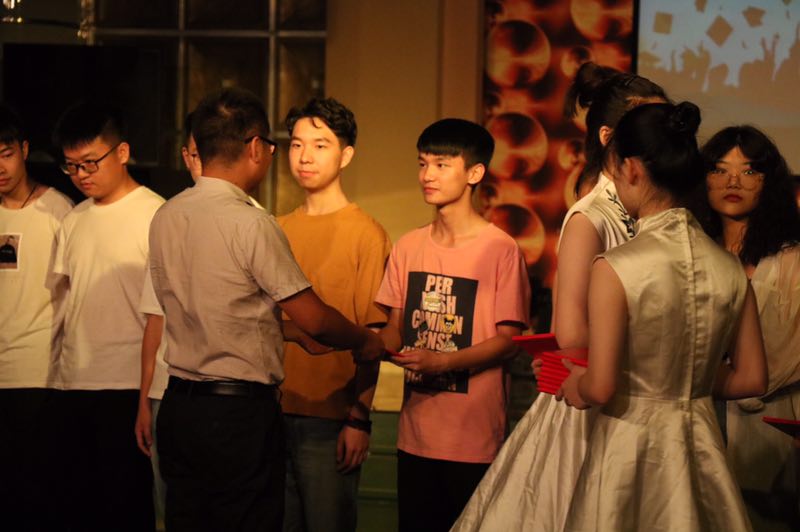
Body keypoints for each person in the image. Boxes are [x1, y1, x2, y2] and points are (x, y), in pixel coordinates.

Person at [148, 88, 384, 532]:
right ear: (256, 147)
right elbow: (315, 318)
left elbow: (220, 309)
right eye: (288, 145)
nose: (301, 157)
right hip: (237, 413)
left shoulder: (167, 214)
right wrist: (364, 340)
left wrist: (291, 334)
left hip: (179, 405)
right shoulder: (254, 222)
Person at [454, 63, 668, 531]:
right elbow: (572, 332)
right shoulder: (592, 215)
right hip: (595, 396)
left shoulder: (660, 213)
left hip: (643, 395)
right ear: (609, 137)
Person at [556, 101, 767, 530]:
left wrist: (575, 384)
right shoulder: (728, 266)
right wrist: (684, 379)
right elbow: (751, 379)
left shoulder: (615, 265)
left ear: (631, 168)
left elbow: (601, 385)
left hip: (630, 447)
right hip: (701, 443)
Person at [376, 118, 530, 532]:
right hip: (415, 433)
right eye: (422, 163)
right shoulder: (408, 245)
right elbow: (395, 326)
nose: (427, 175)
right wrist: (370, 343)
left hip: (473, 439)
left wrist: (442, 362)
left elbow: (509, 341)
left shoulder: (501, 249)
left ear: (474, 173)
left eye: (442, 165)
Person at [278, 97, 391, 532]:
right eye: (296, 144)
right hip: (270, 412)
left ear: (345, 155)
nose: (304, 156)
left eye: (320, 145)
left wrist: (359, 418)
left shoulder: (366, 234)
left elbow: (372, 337)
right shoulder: (277, 228)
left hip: (330, 418)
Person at [52, 101, 164, 531]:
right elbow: (67, 303)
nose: (81, 175)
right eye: (71, 166)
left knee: (127, 506)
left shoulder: (156, 215)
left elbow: (162, 315)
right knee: (79, 507)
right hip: (74, 381)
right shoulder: (74, 219)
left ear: (122, 152)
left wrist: (146, 396)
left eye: (90, 162)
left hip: (128, 384)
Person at [693, 125, 800, 530]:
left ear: (768, 181)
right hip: (697, 417)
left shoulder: (791, 258)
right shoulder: (690, 252)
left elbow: (789, 351)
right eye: (719, 170)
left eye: (749, 171)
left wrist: (712, 376)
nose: (733, 181)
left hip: (772, 422)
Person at [0, 104, 73, 530]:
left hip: (38, 373)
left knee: (35, 492)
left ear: (24, 150)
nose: (0, 167)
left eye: (6, 153)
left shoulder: (58, 211)